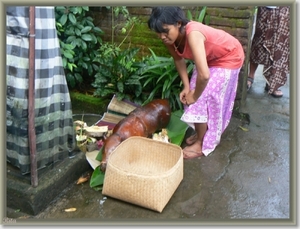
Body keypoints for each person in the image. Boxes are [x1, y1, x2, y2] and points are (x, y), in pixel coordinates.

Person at [147, 7, 245, 159]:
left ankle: (201, 142)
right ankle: (202, 132)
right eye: (158, 32)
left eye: (165, 31)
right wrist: (187, 87)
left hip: (229, 57)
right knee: (191, 95)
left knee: (200, 98)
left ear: (178, 23)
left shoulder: (193, 34)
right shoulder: (169, 39)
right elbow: (178, 59)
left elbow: (204, 76)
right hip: (210, 59)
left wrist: (195, 95)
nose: (162, 36)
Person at [247, 6, 290, 98]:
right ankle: (250, 76)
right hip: (265, 6)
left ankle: (272, 82)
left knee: (279, 44)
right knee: (259, 42)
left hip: (284, 7)